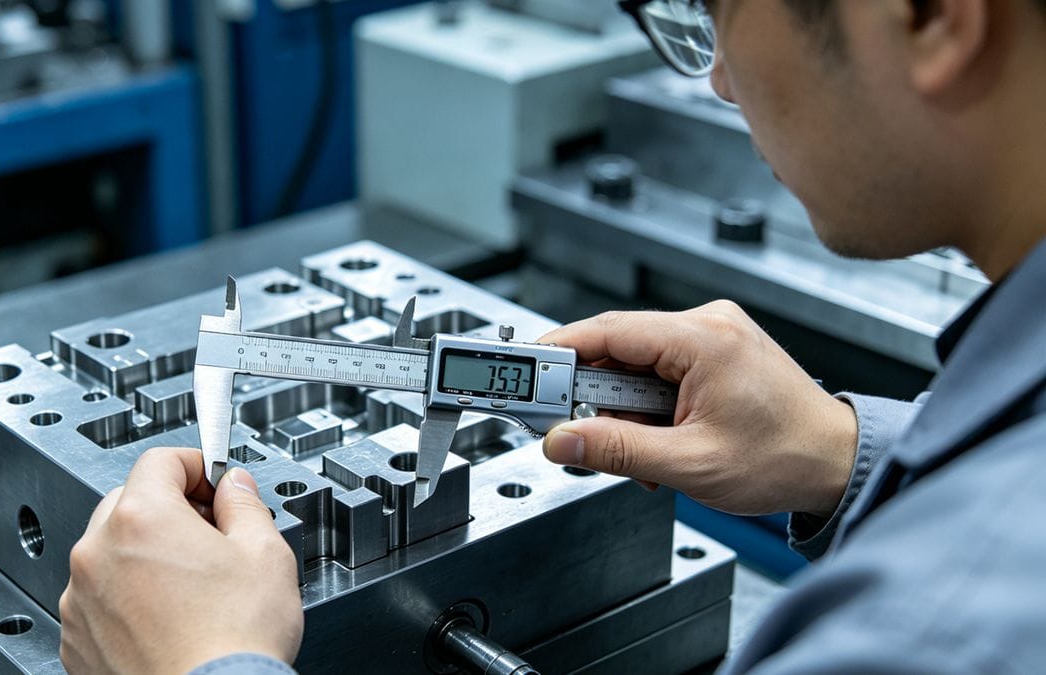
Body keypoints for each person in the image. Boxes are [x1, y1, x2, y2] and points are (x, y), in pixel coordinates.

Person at [58, 0, 1046, 672]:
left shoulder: (927, 630)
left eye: (715, 11)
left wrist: (208, 664)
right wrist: (846, 456)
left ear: (930, 15)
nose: (720, 85)